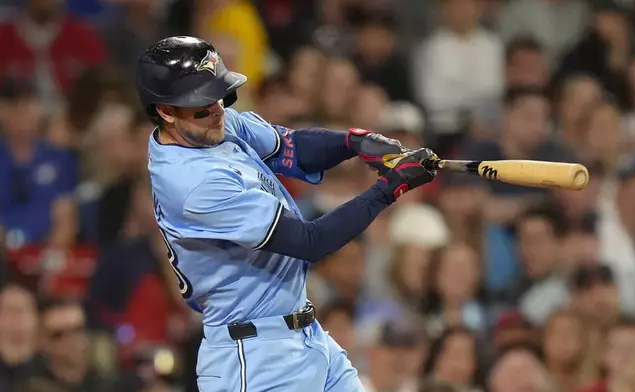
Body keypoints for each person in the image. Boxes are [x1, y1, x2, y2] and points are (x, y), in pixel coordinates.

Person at [134, 36, 438, 392]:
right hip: (254, 357)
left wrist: (355, 142)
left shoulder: (207, 127)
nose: (217, 109)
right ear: (165, 111)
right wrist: (391, 187)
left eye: (218, 96)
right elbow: (311, 241)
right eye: (201, 103)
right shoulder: (193, 185)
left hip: (303, 335)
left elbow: (291, 148)